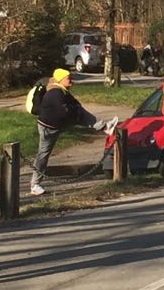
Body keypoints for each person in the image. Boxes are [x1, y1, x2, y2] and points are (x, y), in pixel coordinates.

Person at [32, 68, 109, 196]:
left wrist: (77, 111)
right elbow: (64, 111)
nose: (71, 79)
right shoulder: (55, 93)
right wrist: (77, 113)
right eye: (68, 78)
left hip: (56, 125)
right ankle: (35, 184)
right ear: (61, 80)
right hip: (48, 128)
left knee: (81, 114)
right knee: (43, 154)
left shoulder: (62, 91)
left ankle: (104, 127)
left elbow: (74, 105)